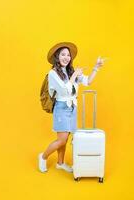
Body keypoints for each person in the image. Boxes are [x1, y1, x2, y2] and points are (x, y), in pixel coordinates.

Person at [38, 42, 105, 173]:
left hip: (72, 108)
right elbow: (64, 91)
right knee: (61, 140)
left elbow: (87, 81)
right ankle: (43, 156)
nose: (66, 57)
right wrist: (74, 76)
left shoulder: (69, 71)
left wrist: (96, 68)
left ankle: (60, 163)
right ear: (57, 57)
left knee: (65, 139)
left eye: (68, 55)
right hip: (61, 108)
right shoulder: (53, 73)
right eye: (63, 54)